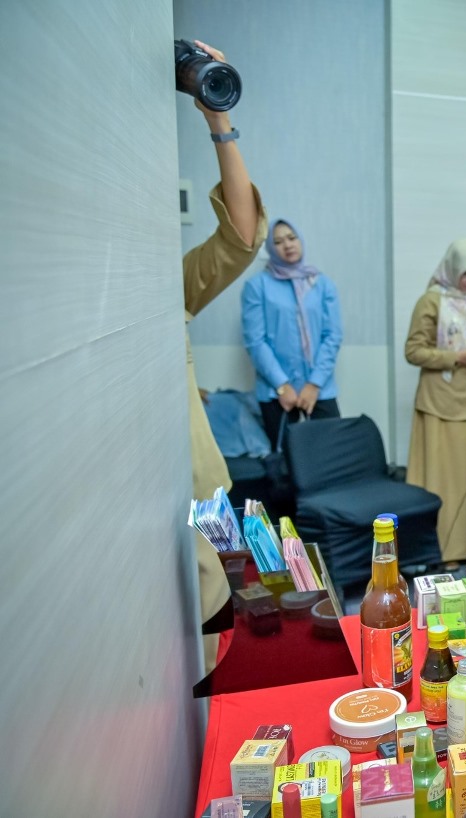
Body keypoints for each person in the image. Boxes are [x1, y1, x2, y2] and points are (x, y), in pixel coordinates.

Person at [181, 41, 268, 674]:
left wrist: (219, 120)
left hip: (200, 495)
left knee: (222, 621)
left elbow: (240, 237)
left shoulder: (167, 290)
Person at [405, 238, 466, 567]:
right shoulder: (431, 301)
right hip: (442, 406)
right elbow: (413, 351)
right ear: (452, 269)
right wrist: (456, 357)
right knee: (444, 484)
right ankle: (443, 553)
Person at [241, 219, 343, 448]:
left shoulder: (322, 284)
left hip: (319, 387)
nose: (287, 245)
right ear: (270, 248)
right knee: (287, 462)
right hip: (275, 391)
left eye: (292, 238)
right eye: (278, 241)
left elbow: (333, 336)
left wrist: (314, 384)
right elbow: (255, 341)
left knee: (330, 455)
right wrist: (282, 385)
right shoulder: (257, 287)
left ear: (300, 240)